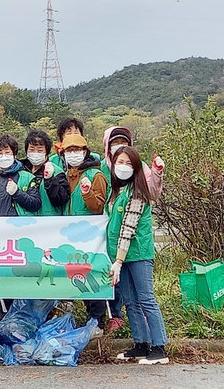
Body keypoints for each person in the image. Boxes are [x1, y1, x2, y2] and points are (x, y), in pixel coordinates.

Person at [108, 146, 169, 365]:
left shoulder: (137, 193)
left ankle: (159, 347)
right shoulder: (117, 192)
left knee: (146, 299)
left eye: (128, 163)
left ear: (136, 168)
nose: (122, 167)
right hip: (120, 257)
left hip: (138, 254)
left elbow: (127, 229)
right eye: (119, 162)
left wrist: (118, 260)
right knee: (131, 302)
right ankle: (141, 343)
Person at [60, 133, 108, 336]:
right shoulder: (65, 175)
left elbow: (99, 207)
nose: (73, 154)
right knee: (73, 276)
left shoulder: (95, 175)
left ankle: (97, 321)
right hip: (69, 236)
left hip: (91, 236)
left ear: (85, 152)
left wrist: (88, 193)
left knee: (92, 277)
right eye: (69, 151)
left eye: (77, 150)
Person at [0, 134, 42, 217]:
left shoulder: (28, 178)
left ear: (14, 155)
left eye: (7, 152)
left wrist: (17, 193)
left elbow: (36, 205)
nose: (4, 156)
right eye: (0, 153)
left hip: (20, 227)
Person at [20, 130, 70, 216]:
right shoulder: (20, 170)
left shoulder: (57, 172)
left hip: (48, 223)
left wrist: (50, 180)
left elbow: (61, 200)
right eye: (32, 149)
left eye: (39, 150)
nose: (35, 153)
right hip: (25, 222)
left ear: (46, 152)